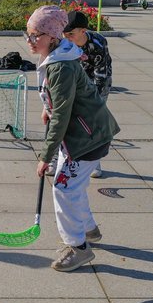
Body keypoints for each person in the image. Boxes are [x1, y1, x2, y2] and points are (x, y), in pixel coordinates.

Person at [25, 6, 120, 271]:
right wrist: (48, 105)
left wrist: (45, 156)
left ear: (53, 37)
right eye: (28, 34)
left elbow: (62, 116)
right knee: (72, 186)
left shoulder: (61, 66)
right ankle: (88, 230)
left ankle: (78, 247)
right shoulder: (56, 57)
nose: (30, 41)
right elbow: (61, 99)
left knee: (64, 188)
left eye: (36, 35)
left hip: (87, 137)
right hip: (82, 133)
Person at [63, 10, 113, 178]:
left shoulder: (98, 44)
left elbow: (101, 75)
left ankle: (95, 162)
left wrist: (93, 102)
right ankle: (59, 159)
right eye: (65, 34)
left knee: (92, 123)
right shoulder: (66, 43)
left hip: (97, 84)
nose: (67, 37)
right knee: (67, 121)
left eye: (71, 34)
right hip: (77, 82)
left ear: (83, 31)